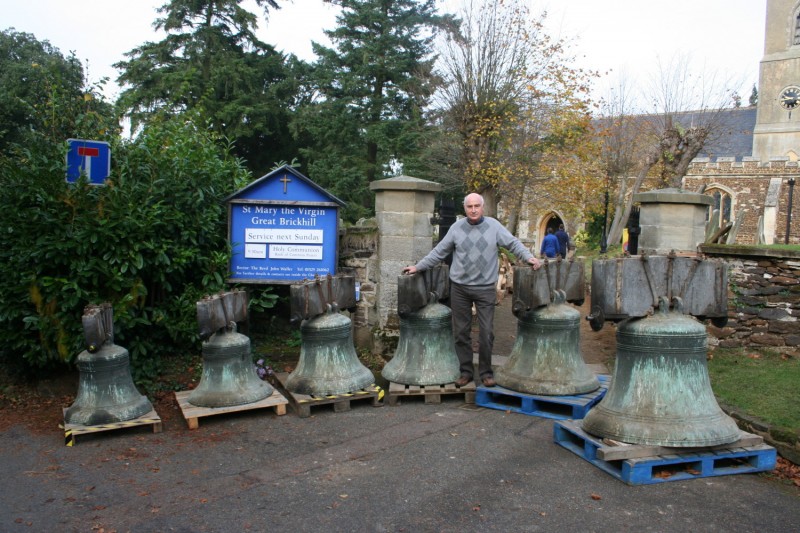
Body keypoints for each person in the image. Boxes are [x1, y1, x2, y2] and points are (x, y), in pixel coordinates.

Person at [402, 193, 541, 387]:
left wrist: (529, 257)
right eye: (469, 206)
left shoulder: (494, 226)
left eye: (477, 206)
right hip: (460, 288)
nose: (473, 209)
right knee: (461, 333)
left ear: (482, 207)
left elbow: (513, 243)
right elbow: (439, 251)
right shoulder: (456, 228)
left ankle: (485, 372)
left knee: (486, 333)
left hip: (485, 289)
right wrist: (418, 267)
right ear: (464, 208)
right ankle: (466, 371)